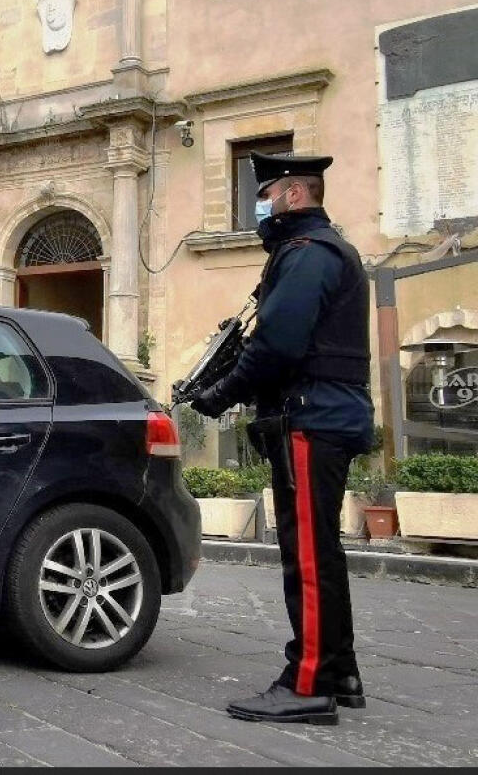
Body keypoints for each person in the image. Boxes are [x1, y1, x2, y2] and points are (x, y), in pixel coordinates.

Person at [192, 152, 374, 726]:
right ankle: (339, 670)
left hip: (310, 418)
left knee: (309, 560)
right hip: (323, 414)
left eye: (264, 194)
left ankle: (309, 682)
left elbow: (276, 347)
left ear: (294, 195)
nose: (259, 207)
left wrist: (219, 394)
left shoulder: (307, 255)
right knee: (322, 551)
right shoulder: (324, 251)